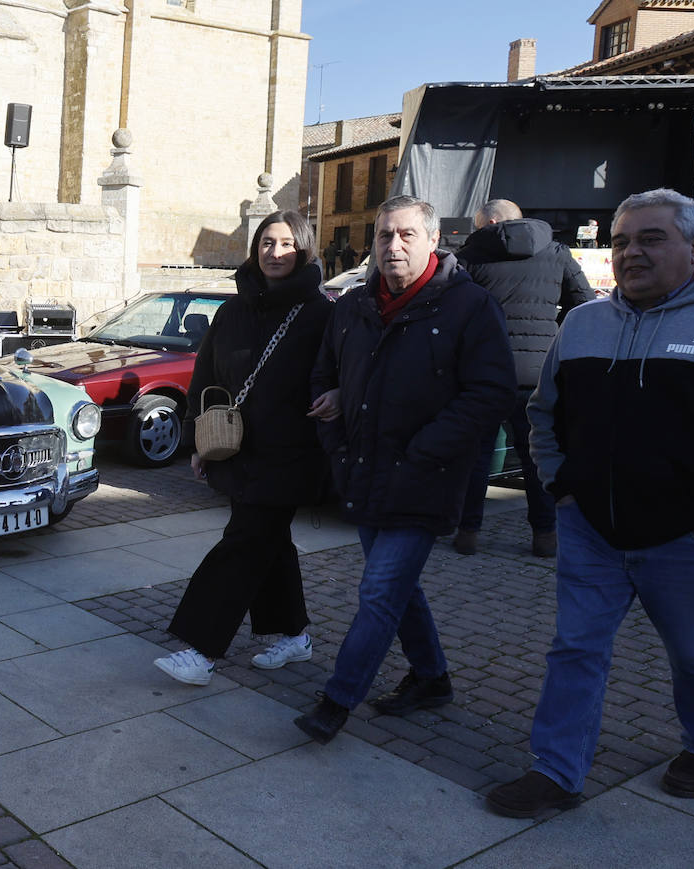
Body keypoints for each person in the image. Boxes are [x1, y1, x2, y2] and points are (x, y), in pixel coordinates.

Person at [484, 188, 694, 818]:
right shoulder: (583, 323)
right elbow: (544, 414)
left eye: (650, 238)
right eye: (620, 241)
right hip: (592, 532)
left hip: (691, 539)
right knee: (575, 649)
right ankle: (556, 770)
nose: (630, 252)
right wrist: (562, 489)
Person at [293, 195, 516, 743]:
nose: (393, 245)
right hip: (363, 471)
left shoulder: (468, 307)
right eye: (384, 235)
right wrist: (336, 435)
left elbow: (490, 393)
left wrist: (426, 449)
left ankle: (337, 701)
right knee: (397, 589)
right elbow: (324, 376)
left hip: (426, 478)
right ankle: (432, 677)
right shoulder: (353, 307)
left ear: (434, 240)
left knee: (379, 591)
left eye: (407, 235)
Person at [153, 210, 333, 686]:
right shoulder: (232, 311)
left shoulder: (321, 313)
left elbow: (341, 375)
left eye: (287, 244)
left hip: (290, 455)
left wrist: (336, 398)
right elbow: (205, 378)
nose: (276, 253)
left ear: (305, 249)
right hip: (233, 448)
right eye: (267, 243)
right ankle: (294, 635)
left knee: (243, 544)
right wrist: (196, 441)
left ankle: (202, 648)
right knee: (271, 545)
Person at [455, 199, 596, 558]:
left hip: (484, 370)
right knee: (535, 457)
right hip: (538, 373)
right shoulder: (557, 252)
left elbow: (454, 308)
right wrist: (555, 341)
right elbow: (586, 302)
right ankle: (545, 536)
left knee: (476, 455)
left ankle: (468, 532)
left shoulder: (473, 253)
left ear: (489, 221)